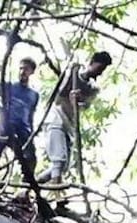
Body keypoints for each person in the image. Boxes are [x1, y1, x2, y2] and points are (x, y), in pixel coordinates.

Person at [37, 51, 112, 184]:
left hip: (68, 123)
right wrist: (70, 89)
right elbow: (59, 94)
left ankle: (27, 189)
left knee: (63, 166)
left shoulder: (92, 89)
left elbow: (84, 106)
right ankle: (58, 196)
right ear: (92, 63)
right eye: (99, 68)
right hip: (56, 118)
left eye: (103, 70)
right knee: (58, 160)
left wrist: (76, 101)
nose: (100, 73)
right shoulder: (73, 73)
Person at [0, 57, 40, 184]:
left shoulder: (34, 95)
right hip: (6, 125)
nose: (22, 72)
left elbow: (30, 115)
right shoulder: (8, 86)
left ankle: (24, 189)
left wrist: (32, 133)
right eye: (21, 68)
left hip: (23, 129)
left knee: (31, 159)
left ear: (32, 72)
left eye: (26, 69)